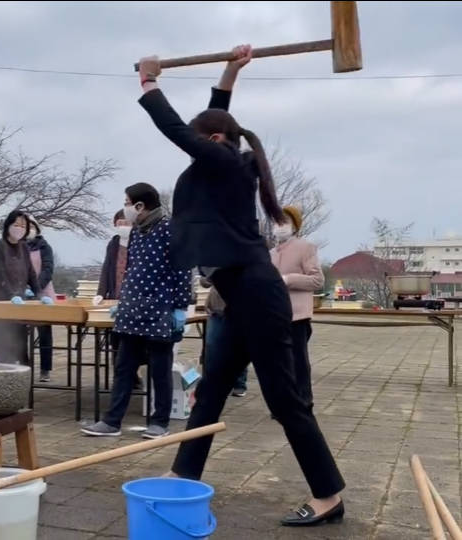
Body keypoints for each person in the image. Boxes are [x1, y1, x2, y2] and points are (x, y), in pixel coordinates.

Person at [136, 47, 345, 526]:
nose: (193, 146)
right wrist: (230, 72)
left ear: (213, 141)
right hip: (238, 298)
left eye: (201, 140)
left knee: (285, 401)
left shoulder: (227, 165)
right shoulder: (221, 162)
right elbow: (216, 120)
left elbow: (176, 129)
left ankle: (329, 495)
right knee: (210, 391)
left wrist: (149, 83)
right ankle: (184, 474)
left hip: (258, 296)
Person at [81, 183, 191, 440]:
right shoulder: (137, 233)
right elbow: (131, 270)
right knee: (124, 368)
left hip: (160, 311)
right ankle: (112, 422)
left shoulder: (170, 229)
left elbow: (183, 270)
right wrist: (123, 301)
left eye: (128, 203)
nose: (126, 208)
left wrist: (180, 307)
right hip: (131, 312)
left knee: (159, 370)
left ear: (141, 206)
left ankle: (160, 422)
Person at [270, 206, 324, 410]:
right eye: (276, 221)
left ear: (294, 225)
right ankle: (283, 404)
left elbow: (317, 280)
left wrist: (287, 280)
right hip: (274, 316)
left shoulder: (305, 247)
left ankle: (303, 401)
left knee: (298, 361)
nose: (279, 226)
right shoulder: (271, 253)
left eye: (284, 221)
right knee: (278, 363)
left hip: (297, 316)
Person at [0, 210, 49, 365]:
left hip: (19, 305)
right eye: (16, 225)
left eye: (23, 226)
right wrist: (11, 294)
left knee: (20, 345)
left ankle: (24, 374)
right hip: (0, 303)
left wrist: (39, 293)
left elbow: (31, 273)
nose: (20, 229)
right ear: (8, 225)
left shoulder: (24, 247)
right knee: (2, 345)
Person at [97, 209, 144, 390]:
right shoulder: (113, 243)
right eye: (120, 223)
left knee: (132, 340)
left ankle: (132, 374)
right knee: (115, 339)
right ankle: (120, 377)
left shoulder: (139, 241)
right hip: (115, 297)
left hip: (134, 299)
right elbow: (107, 268)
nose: (123, 226)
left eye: (127, 223)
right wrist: (101, 293)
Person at [201, 277, 248, 397]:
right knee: (211, 348)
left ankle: (239, 384)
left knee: (237, 348)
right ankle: (211, 384)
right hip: (215, 310)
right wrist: (212, 276)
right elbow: (204, 282)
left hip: (238, 309)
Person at [26, 216, 57, 382]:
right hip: (22, 295)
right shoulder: (18, 246)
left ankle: (45, 369)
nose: (28, 229)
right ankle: (23, 366)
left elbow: (48, 269)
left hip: (43, 293)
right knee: (19, 333)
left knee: (44, 333)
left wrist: (36, 287)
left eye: (32, 226)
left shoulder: (44, 246)